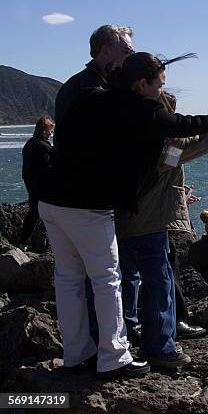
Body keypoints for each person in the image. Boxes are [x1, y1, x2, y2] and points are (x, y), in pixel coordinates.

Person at [39, 51, 208, 375]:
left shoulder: (101, 101)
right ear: (142, 84)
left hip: (68, 202)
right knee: (138, 280)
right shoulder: (152, 124)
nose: (160, 93)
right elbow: (188, 135)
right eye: (158, 86)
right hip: (118, 215)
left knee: (81, 280)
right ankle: (149, 348)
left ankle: (90, 349)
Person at [116, 90, 208, 345]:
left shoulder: (132, 137)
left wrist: (180, 199)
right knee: (159, 278)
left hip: (126, 217)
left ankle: (131, 328)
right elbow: (193, 145)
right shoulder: (164, 145)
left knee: (131, 276)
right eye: (170, 114)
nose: (173, 120)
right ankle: (162, 340)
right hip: (147, 222)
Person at [54, 24, 135, 347]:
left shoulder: (72, 85)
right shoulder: (96, 91)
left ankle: (76, 354)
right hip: (85, 200)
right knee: (106, 278)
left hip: (57, 196)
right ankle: (114, 354)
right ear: (106, 51)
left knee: (68, 280)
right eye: (127, 52)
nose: (130, 58)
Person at [20, 116, 54, 248]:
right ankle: (50, 243)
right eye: (47, 130)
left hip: (31, 184)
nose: (50, 133)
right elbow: (47, 168)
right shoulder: (42, 146)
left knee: (33, 212)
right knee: (49, 214)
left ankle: (24, 241)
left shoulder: (30, 143)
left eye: (51, 131)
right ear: (41, 130)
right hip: (41, 186)